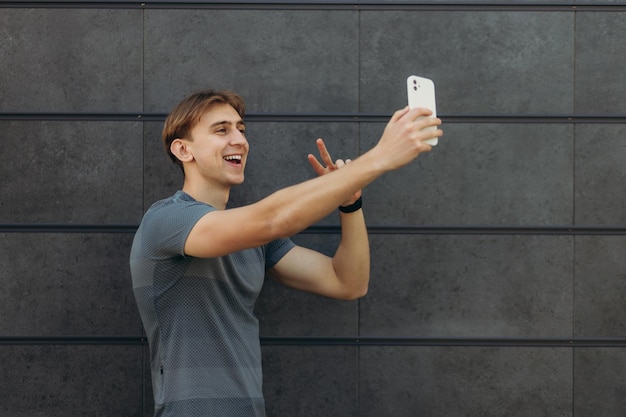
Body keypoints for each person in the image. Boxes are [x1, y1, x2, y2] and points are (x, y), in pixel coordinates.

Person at [130, 89, 443, 417]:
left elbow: (348, 282)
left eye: (241, 129)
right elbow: (271, 220)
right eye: (221, 130)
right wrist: (378, 158)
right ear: (183, 149)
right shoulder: (166, 221)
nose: (239, 139)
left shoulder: (255, 241)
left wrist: (350, 203)